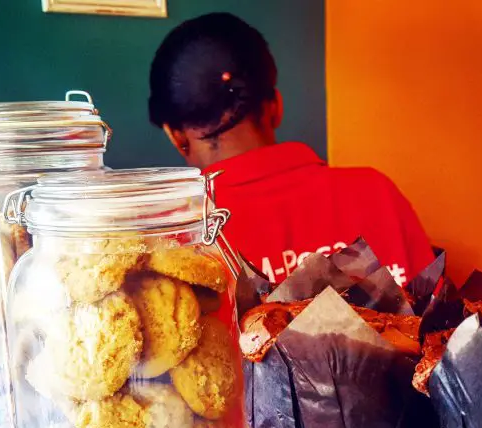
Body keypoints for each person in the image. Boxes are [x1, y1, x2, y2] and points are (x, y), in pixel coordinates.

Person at [149, 12, 435, 286]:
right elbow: (443, 327)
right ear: (275, 107)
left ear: (175, 135)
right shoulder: (377, 194)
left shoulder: (171, 239)